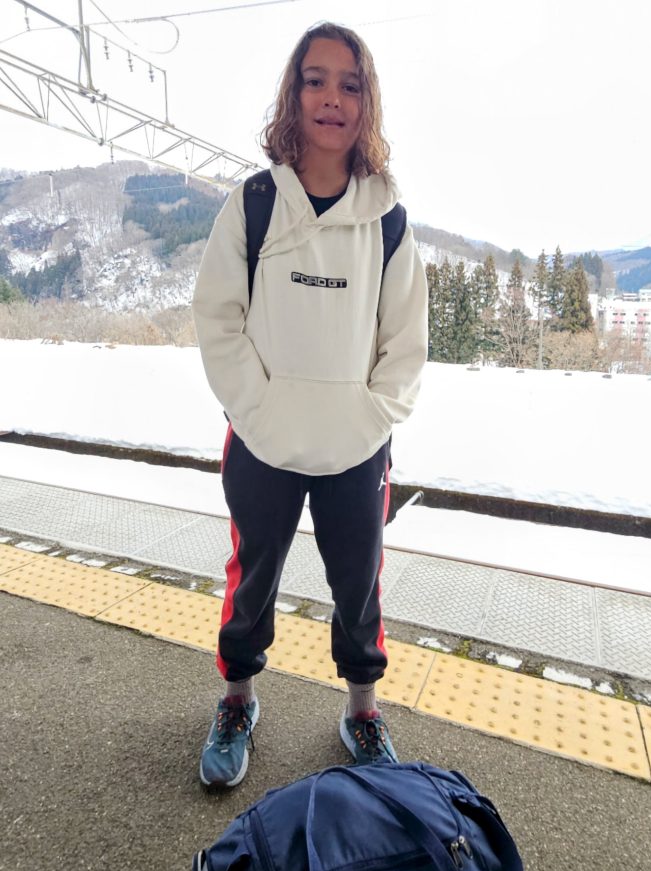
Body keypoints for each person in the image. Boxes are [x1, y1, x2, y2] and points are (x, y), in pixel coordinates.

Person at [192, 21, 428, 788]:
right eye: (316, 80)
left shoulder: (387, 220)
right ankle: (237, 700)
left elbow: (405, 343)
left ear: (367, 103)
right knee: (251, 575)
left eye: (350, 84)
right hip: (261, 439)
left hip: (356, 449)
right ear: (294, 95)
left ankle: (362, 711)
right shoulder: (256, 204)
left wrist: (369, 418)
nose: (333, 98)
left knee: (359, 582)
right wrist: (255, 409)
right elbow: (217, 317)